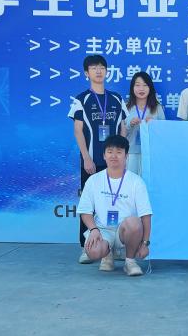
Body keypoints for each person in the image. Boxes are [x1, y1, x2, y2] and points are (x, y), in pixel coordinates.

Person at [70, 54, 128, 263]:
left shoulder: (116, 99)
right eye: (93, 68)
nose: (98, 71)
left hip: (114, 162)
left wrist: (122, 156)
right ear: (86, 73)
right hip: (92, 161)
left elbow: (122, 128)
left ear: (107, 71)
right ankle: (87, 246)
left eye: (101, 67)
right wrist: (86, 158)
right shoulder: (81, 99)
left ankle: (117, 246)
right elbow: (78, 130)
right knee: (89, 203)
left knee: (117, 201)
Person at [77, 135, 153, 277]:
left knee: (134, 223)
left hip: (124, 231)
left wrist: (145, 243)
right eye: (110, 152)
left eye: (119, 152)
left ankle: (130, 261)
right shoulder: (94, 180)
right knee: (93, 251)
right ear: (104, 155)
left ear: (126, 156)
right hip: (102, 230)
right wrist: (93, 229)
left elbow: (146, 215)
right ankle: (107, 255)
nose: (114, 156)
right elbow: (85, 211)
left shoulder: (136, 182)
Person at [124, 71, 166, 175]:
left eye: (145, 85)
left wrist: (154, 125)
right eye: (137, 85)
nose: (141, 89)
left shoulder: (157, 108)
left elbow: (164, 132)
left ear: (150, 88)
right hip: (131, 152)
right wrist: (130, 124)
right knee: (131, 181)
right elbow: (121, 133)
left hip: (151, 153)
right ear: (132, 88)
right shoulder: (126, 107)